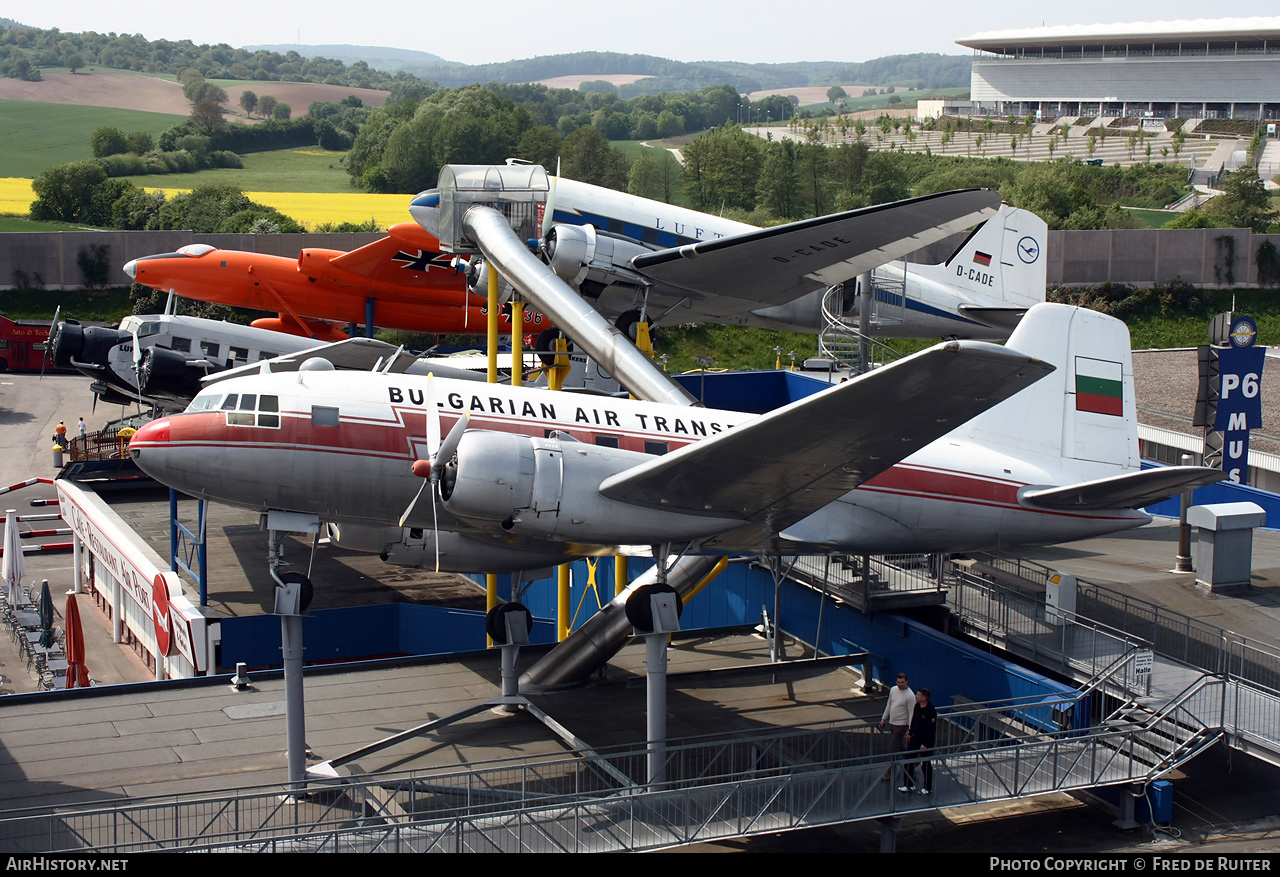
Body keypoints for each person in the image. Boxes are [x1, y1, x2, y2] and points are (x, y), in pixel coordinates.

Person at [900, 687, 938, 795]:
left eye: (918, 695)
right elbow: (914, 720)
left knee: (925, 764)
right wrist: (910, 733)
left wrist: (926, 744)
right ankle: (908, 784)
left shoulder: (930, 711)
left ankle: (927, 787)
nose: (916, 696)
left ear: (924, 698)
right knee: (909, 760)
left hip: (925, 742)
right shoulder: (917, 706)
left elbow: (931, 730)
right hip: (915, 738)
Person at [879, 672, 914, 760]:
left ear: (906, 682)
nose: (900, 685)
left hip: (902, 724)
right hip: (893, 722)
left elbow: (911, 713)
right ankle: (911, 760)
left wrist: (910, 729)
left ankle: (891, 769)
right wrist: (884, 718)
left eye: (902, 682)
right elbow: (889, 704)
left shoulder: (910, 695)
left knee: (893, 747)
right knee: (900, 745)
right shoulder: (893, 690)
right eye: (898, 682)